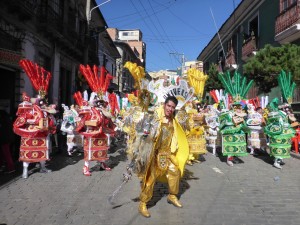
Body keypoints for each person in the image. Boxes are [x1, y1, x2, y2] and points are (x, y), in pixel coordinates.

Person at [138, 96, 189, 218]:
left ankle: (172, 195)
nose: (170, 109)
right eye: (168, 106)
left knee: (175, 172)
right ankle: (143, 203)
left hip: (167, 154)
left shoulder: (174, 120)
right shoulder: (155, 118)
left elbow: (183, 130)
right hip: (154, 154)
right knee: (150, 179)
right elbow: (143, 131)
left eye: (173, 107)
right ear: (164, 105)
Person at [0, 109, 15, 173]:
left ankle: (11, 168)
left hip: (3, 139)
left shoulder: (3, 121)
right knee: (4, 154)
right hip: (7, 139)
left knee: (6, 154)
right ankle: (3, 166)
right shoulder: (8, 120)